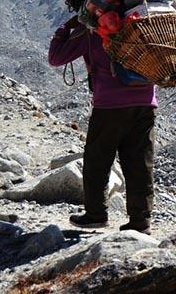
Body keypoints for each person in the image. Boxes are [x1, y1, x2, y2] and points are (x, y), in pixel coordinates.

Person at [48, 14, 157, 234]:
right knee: (139, 163)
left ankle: (96, 214)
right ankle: (140, 221)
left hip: (110, 104)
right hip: (146, 102)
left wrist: (66, 27)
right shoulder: (146, 21)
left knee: (97, 160)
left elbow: (56, 58)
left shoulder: (93, 28)